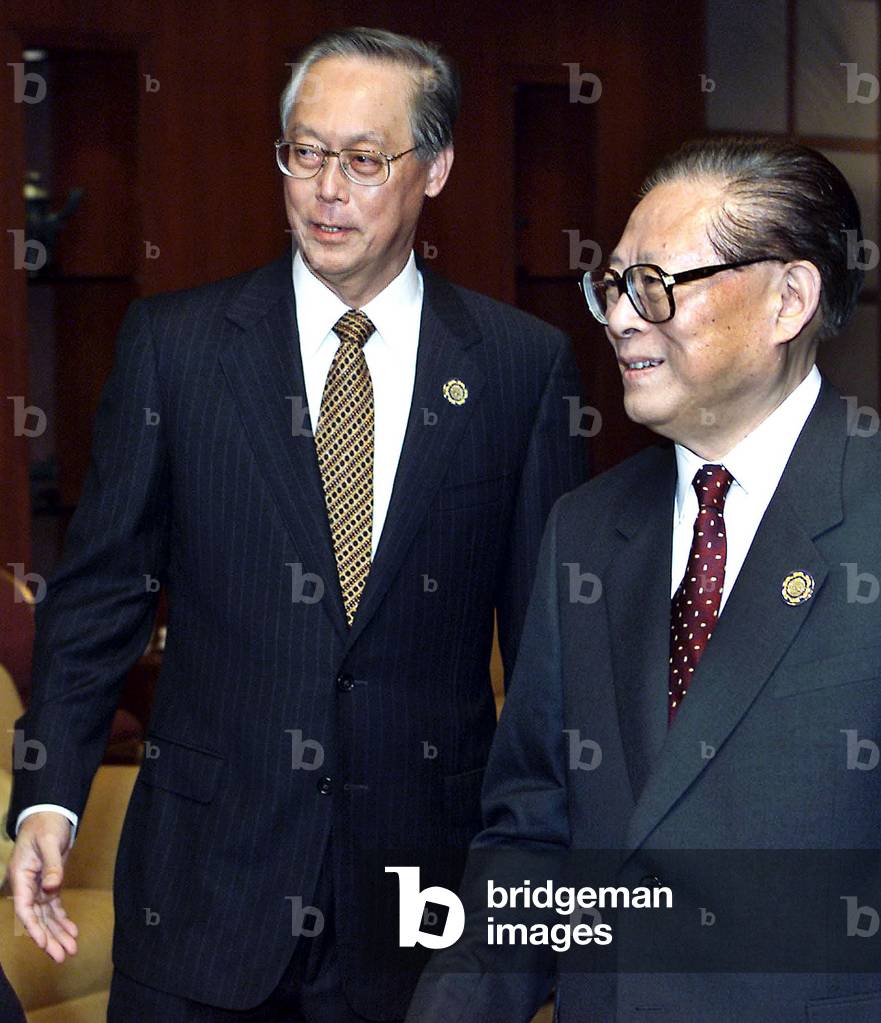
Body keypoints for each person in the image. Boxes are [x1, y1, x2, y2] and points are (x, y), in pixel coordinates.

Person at [5, 26, 587, 1023]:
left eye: (363, 160)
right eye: (304, 153)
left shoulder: (517, 368)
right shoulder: (177, 348)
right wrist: (49, 794)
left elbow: (545, 652)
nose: (326, 188)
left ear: (434, 168)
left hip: (416, 897)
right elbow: (103, 590)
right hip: (202, 888)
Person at [406, 136, 881, 1022]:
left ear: (789, 298)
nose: (622, 315)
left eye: (655, 285)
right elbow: (531, 836)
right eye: (613, 285)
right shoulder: (585, 532)